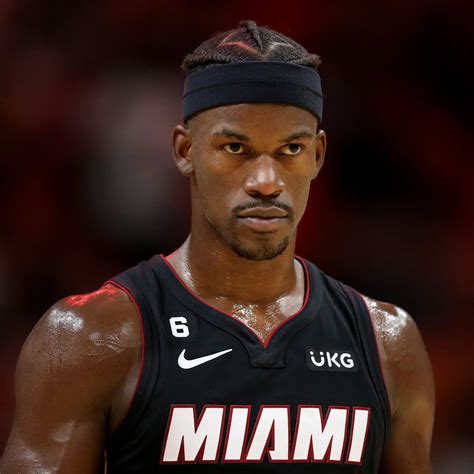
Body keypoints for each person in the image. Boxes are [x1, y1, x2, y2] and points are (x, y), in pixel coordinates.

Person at [1, 20, 434, 473]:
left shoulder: (387, 344)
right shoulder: (92, 337)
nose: (265, 181)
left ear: (318, 155)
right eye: (235, 148)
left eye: (290, 149)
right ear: (185, 151)